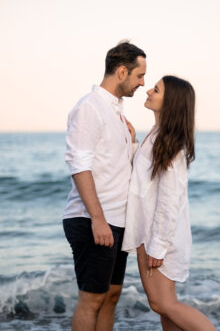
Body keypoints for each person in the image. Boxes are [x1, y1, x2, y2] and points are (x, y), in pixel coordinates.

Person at [122, 76, 217, 331]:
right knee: (165, 308)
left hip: (159, 237)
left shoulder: (171, 145)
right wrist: (133, 143)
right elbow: (141, 181)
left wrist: (158, 246)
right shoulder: (156, 136)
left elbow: (169, 200)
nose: (148, 91)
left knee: (163, 304)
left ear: (171, 101)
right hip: (148, 231)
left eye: (156, 89)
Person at [63, 40, 146, 331]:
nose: (143, 83)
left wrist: (132, 142)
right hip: (93, 220)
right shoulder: (90, 108)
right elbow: (79, 166)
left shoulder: (116, 110)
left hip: (117, 221)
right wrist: (98, 219)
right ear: (122, 72)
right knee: (92, 299)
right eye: (139, 75)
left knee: (111, 296)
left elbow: (117, 170)